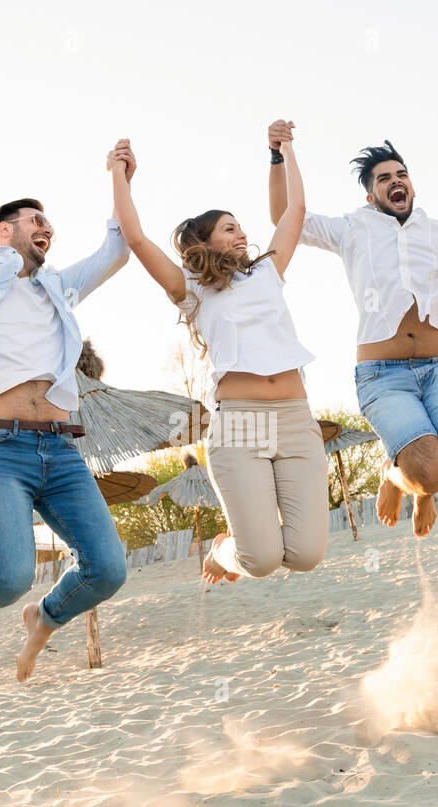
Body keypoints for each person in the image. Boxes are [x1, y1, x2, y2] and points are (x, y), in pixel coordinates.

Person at [0, 138, 131, 683]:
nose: (47, 227)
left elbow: (118, 248)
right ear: (3, 231)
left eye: (49, 222)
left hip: (60, 449)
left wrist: (120, 176)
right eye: (36, 219)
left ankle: (46, 616)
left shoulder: (57, 286)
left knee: (108, 569)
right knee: (8, 576)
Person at [268, 120, 438, 536]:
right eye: (384, 179)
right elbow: (285, 217)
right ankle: (395, 476)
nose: (396, 181)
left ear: (412, 186)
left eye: (402, 175)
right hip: (382, 377)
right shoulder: (351, 229)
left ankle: (417, 485)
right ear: (371, 195)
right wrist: (279, 154)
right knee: (427, 469)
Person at [107, 136, 328, 584]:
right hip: (240, 423)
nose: (242, 234)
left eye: (240, 226)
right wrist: (118, 174)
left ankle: (238, 547)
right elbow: (135, 237)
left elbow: (296, 212)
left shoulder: (268, 271)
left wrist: (285, 151)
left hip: (295, 417)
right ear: (204, 241)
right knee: (262, 561)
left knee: (305, 556)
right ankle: (222, 551)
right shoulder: (191, 290)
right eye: (230, 228)